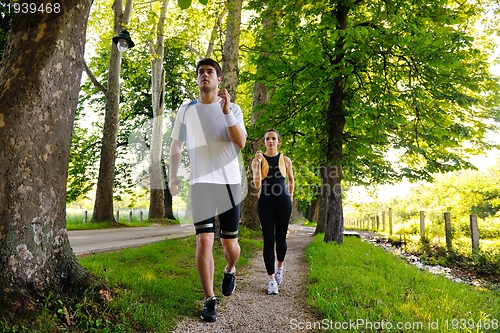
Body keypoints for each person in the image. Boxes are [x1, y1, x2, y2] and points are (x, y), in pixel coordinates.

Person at [168, 58, 247, 322]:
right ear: (197, 78)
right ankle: (209, 299)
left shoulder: (233, 108)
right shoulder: (186, 109)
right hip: (200, 184)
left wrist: (225, 111)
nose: (205, 75)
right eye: (201, 72)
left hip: (228, 183)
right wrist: (173, 176)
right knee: (204, 240)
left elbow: (241, 143)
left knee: (229, 244)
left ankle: (230, 268)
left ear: (219, 79)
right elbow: (176, 145)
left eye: (210, 72)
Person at [251, 128, 294, 295]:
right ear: (264, 142)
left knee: (281, 238)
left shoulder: (286, 160)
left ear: (278, 141)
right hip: (265, 203)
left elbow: (291, 180)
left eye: (273, 139)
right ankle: (271, 280)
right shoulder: (258, 161)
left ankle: (280, 267)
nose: (270, 141)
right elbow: (256, 184)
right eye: (267, 139)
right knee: (268, 240)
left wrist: (290, 197)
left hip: (283, 203)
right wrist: (257, 164)